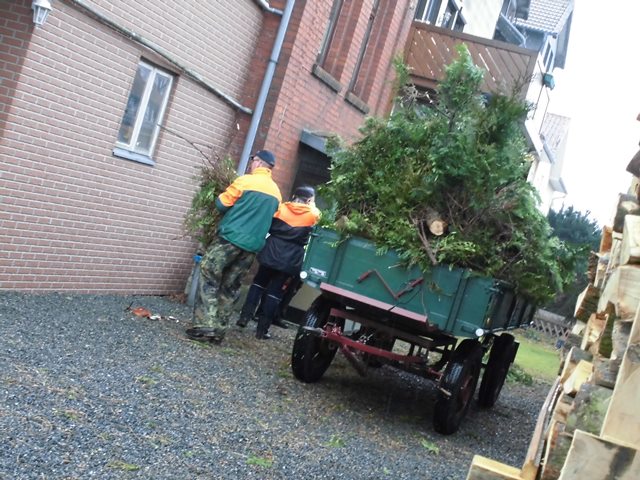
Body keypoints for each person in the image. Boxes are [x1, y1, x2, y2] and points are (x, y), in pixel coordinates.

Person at [187, 150, 282, 343]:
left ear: (259, 163)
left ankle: (205, 325)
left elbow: (221, 204)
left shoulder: (245, 181)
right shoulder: (276, 193)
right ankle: (219, 331)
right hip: (252, 247)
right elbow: (274, 218)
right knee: (231, 286)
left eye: (253, 160)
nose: (251, 163)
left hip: (230, 239)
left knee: (209, 273)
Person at [237, 185, 320, 339]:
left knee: (258, 284)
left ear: (294, 196)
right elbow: (318, 219)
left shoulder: (281, 208)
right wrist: (312, 206)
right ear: (309, 200)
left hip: (271, 250)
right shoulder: (312, 215)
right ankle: (262, 330)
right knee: (275, 293)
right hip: (291, 257)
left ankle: (244, 317)